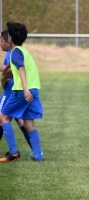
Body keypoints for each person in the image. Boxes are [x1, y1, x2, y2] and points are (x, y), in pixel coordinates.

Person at [0, 21, 43, 162]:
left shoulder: (15, 52)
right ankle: (38, 156)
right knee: (29, 123)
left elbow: (21, 69)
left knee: (3, 117)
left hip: (22, 91)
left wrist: (24, 89)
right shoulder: (24, 51)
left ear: (10, 38)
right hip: (35, 89)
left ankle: (13, 152)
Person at [0, 29, 33, 155]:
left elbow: (11, 70)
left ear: (8, 41)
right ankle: (35, 149)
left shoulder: (12, 53)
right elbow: (4, 68)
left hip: (11, 90)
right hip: (16, 90)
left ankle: (14, 152)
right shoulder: (14, 52)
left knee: (2, 117)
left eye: (1, 41)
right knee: (20, 120)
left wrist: (3, 79)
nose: (0, 43)